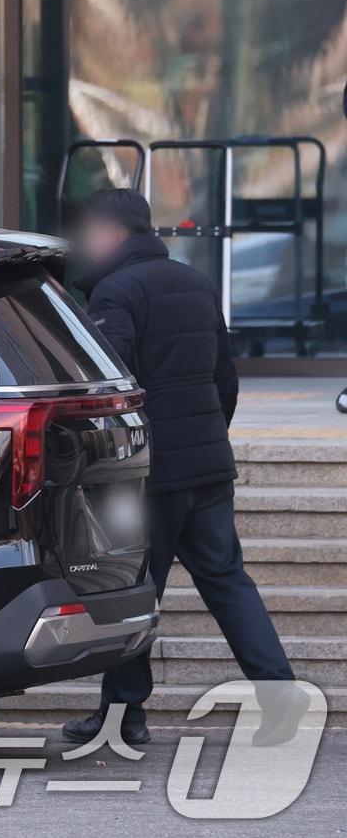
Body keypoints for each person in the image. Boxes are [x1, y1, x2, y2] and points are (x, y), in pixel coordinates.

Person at [61, 188, 304, 747]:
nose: (86, 244)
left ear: (111, 233)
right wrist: (208, 438)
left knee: (133, 589)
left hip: (148, 473)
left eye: (91, 232)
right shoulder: (195, 283)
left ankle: (126, 714)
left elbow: (109, 387)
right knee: (228, 583)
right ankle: (281, 697)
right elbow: (225, 379)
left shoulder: (116, 292)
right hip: (207, 467)